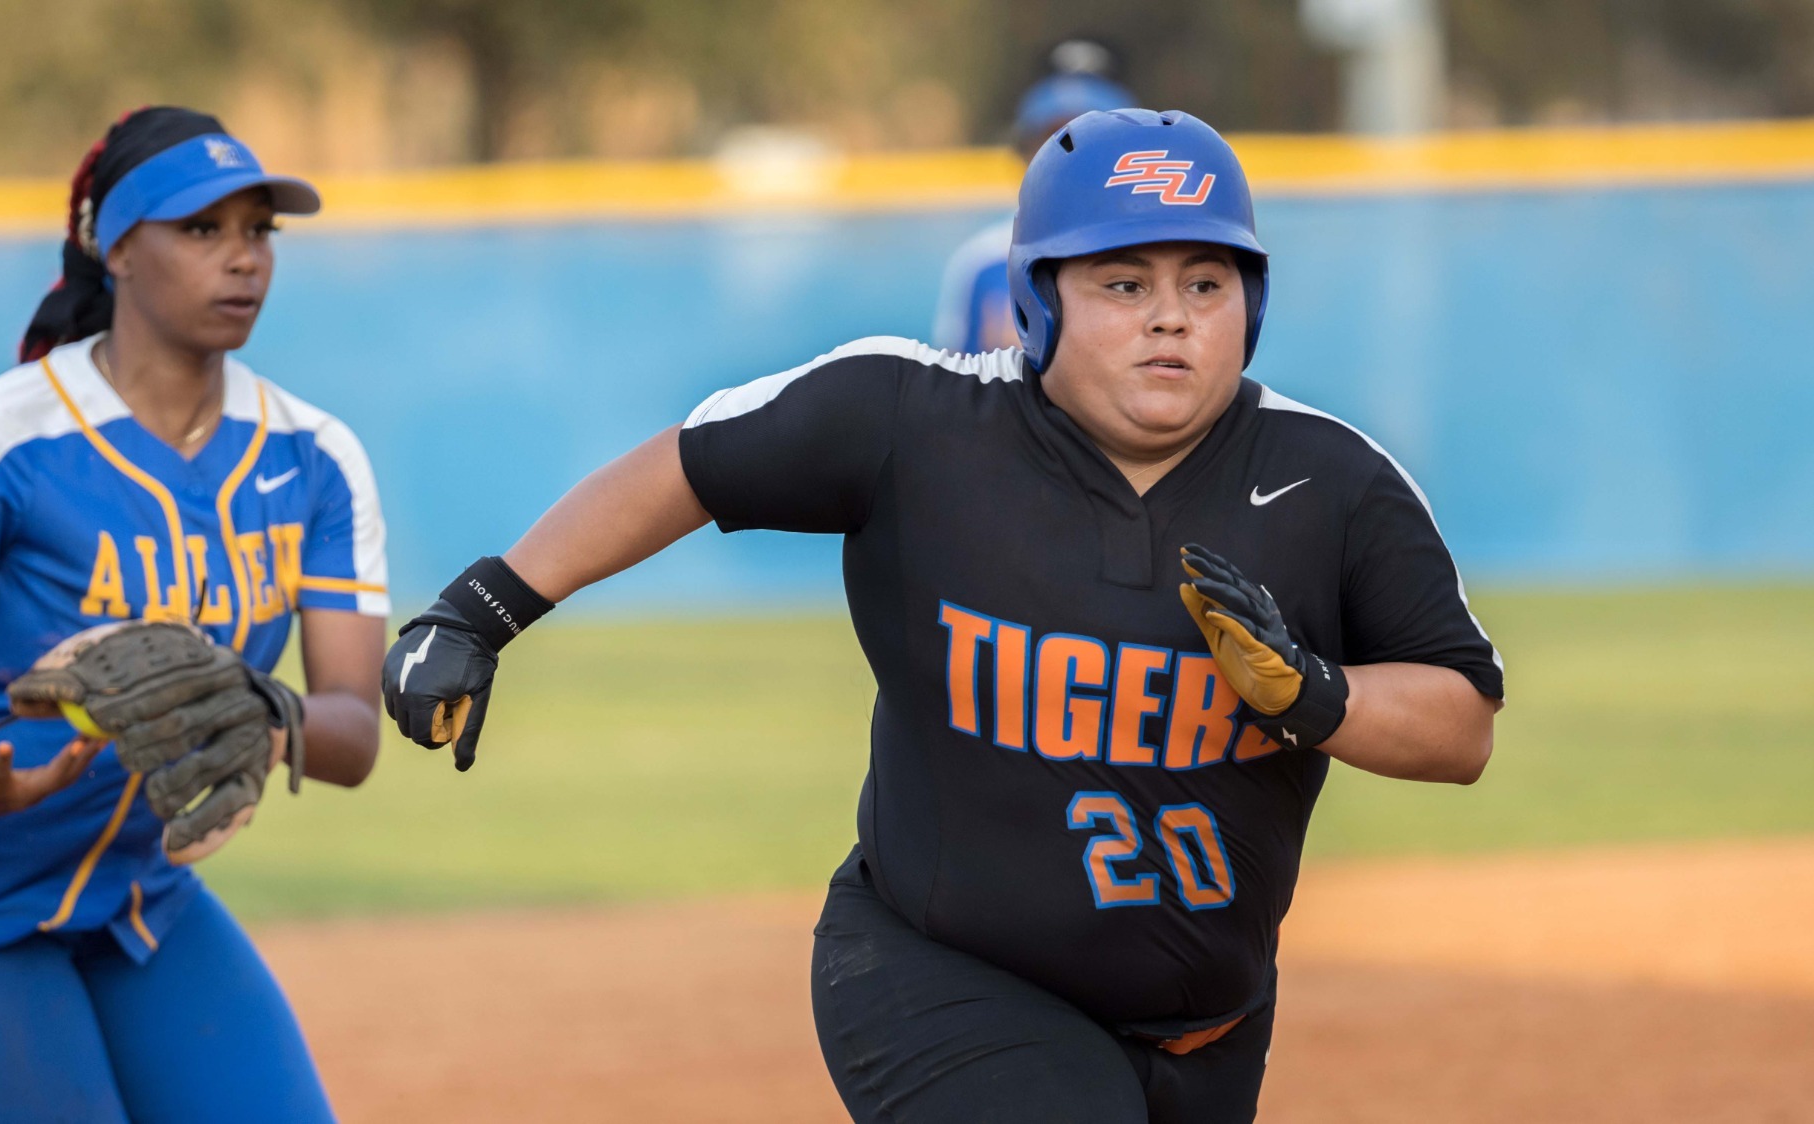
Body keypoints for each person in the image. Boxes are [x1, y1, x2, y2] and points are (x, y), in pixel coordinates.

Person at [385, 108, 1503, 1122]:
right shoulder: (912, 418)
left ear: (1248, 305)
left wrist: (1319, 695)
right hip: (936, 976)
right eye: (1123, 283)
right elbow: (686, 467)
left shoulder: (1332, 480)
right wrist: (479, 610)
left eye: (1204, 285)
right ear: (1035, 298)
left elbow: (1460, 725)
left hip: (1212, 1031)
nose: (1170, 319)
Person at [0, 107, 389, 1123]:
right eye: (201, 229)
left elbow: (351, 728)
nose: (242, 258)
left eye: (258, 230)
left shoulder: (314, 458)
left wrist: (263, 708)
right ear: (116, 248)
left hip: (132, 898)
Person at [932, 40, 1136, 354]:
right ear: (1024, 152)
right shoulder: (981, 265)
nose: (1070, 157)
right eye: (1053, 140)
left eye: (1092, 140)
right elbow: (954, 390)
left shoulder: (1171, 253)